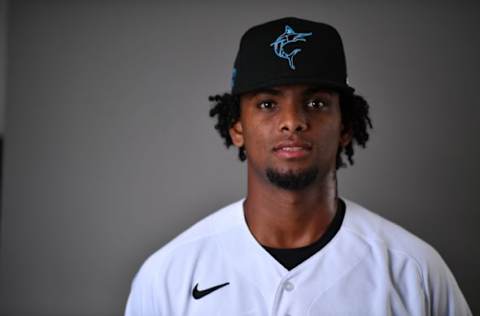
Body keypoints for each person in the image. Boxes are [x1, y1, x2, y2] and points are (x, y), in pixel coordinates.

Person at [125, 17, 471, 315]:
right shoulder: (168, 273)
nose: (292, 121)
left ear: (345, 127)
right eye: (267, 104)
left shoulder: (413, 269)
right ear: (237, 128)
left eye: (316, 102)